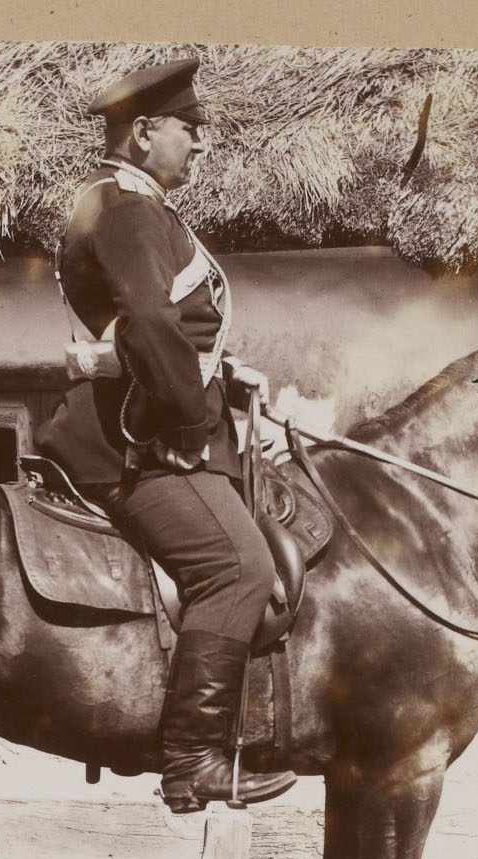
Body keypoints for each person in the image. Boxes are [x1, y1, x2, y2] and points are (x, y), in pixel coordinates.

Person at [36, 57, 296, 814]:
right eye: (190, 128)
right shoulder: (125, 209)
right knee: (239, 567)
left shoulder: (126, 203)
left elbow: (151, 332)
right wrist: (190, 421)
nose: (202, 143)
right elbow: (149, 324)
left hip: (150, 420)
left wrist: (224, 376)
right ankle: (193, 760)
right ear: (145, 132)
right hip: (137, 438)